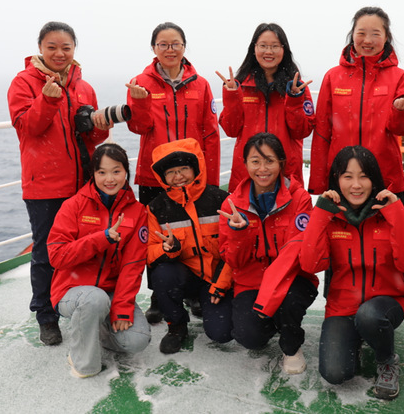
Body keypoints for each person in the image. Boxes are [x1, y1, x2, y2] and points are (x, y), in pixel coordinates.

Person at [7, 21, 111, 346]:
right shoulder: (23, 83)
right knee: (46, 252)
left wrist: (101, 125)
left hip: (83, 184)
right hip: (45, 187)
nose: (59, 53)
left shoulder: (83, 87)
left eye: (66, 47)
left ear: (74, 49)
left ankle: (85, 307)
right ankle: (46, 316)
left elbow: (93, 137)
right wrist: (47, 100)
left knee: (86, 249)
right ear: (40, 48)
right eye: (51, 47)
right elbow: (28, 128)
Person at [300, 146, 404, 399]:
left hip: (387, 304)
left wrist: (396, 212)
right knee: (334, 373)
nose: (356, 185)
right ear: (336, 180)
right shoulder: (330, 217)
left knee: (369, 316)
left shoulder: (391, 213)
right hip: (342, 307)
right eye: (347, 176)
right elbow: (310, 264)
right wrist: (320, 213)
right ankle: (356, 337)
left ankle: (387, 360)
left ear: (374, 180)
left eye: (364, 176)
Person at [125, 22, 220, 323]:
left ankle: (194, 291)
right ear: (153, 48)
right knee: (156, 238)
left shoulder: (200, 84)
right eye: (163, 44)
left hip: (192, 177)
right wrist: (139, 101)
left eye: (175, 43)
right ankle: (159, 296)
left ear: (184, 46)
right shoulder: (141, 83)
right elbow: (138, 127)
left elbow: (210, 132)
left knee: (193, 232)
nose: (170, 49)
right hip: (154, 177)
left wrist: (209, 178)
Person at [47, 143, 151, 378]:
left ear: (126, 172)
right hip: (71, 291)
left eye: (116, 171)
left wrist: (122, 308)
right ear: (93, 174)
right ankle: (83, 363)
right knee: (94, 299)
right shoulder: (73, 205)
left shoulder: (137, 212)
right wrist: (101, 239)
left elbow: (133, 265)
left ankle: (93, 330)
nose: (109, 179)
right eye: (102, 172)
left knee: (136, 341)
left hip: (111, 292)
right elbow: (57, 256)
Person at [218, 133, 318, 374]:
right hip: (250, 282)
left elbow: (298, 251)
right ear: (245, 164)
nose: (262, 169)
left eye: (269, 161)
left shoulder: (299, 198)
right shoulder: (232, 205)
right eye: (255, 161)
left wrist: (269, 297)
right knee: (249, 337)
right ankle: (273, 322)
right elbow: (232, 261)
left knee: (288, 301)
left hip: (293, 277)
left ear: (281, 163)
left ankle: (291, 346)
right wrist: (238, 233)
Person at [308, 7, 404, 204]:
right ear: (352, 35)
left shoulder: (400, 77)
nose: (367, 40)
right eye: (361, 33)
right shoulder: (333, 77)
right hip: (342, 179)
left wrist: (402, 111)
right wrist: (319, 182)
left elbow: (401, 129)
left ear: (386, 37)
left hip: (385, 180)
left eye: (375, 34)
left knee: (392, 225)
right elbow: (322, 132)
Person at [146, 138, 233, 354]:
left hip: (216, 278)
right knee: (162, 274)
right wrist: (167, 249)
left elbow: (236, 248)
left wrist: (221, 283)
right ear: (162, 177)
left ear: (196, 169)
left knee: (222, 333)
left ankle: (205, 302)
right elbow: (148, 252)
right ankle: (176, 326)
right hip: (183, 275)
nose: (178, 176)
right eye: (171, 172)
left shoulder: (221, 200)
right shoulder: (156, 208)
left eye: (184, 169)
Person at [217, 23, 315, 192]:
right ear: (254, 49)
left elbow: (302, 131)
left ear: (284, 50)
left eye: (275, 46)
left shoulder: (296, 88)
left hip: (286, 172)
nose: (268, 51)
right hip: (247, 173)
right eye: (263, 46)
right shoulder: (240, 86)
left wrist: (294, 99)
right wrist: (232, 95)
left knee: (288, 209)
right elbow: (231, 130)